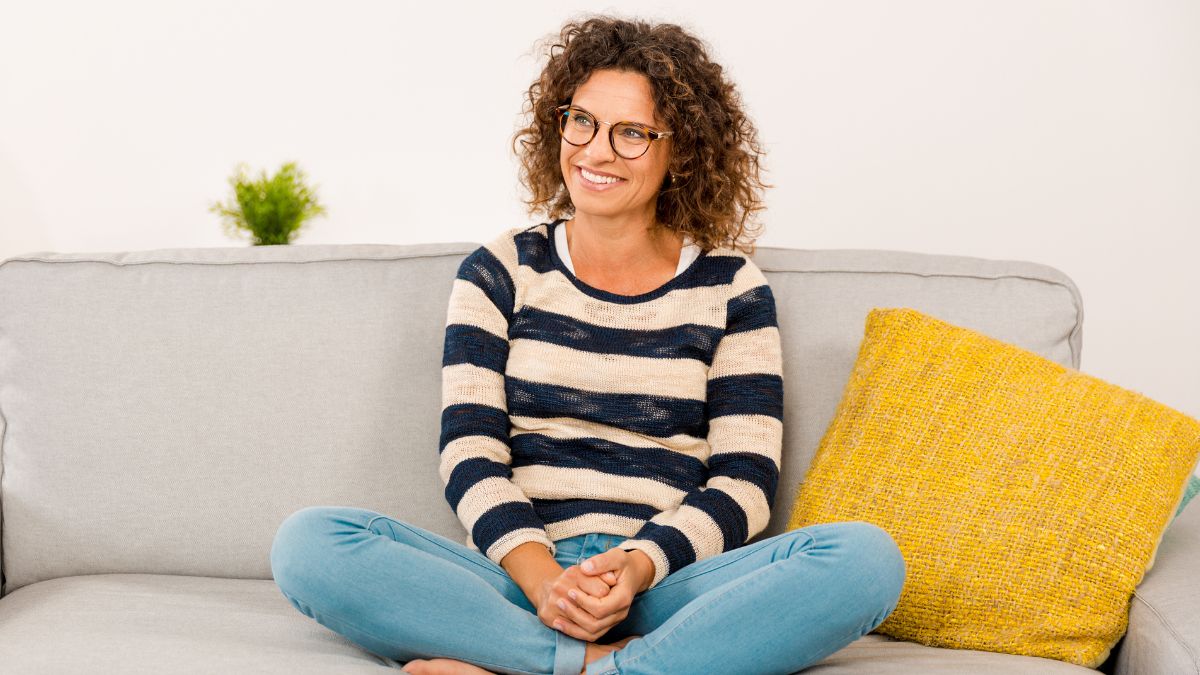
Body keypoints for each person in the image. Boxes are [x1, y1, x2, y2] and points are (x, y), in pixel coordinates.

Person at [270, 16, 906, 675]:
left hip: (666, 587)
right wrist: (546, 580)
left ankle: (544, 665)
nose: (596, 152)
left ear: (680, 150)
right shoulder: (498, 272)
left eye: (632, 132)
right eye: (582, 121)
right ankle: (600, 662)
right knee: (310, 545)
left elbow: (745, 480)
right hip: (519, 579)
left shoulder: (733, 287)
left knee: (866, 560)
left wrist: (637, 564)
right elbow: (471, 456)